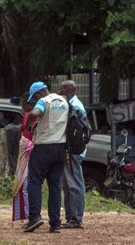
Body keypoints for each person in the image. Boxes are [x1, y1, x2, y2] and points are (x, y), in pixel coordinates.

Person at [23, 82, 69, 233]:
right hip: (61, 147)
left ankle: (34, 217)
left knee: (34, 182)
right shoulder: (64, 101)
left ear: (37, 94)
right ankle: (55, 223)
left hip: (43, 147)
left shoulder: (44, 101)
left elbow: (35, 113)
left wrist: (29, 124)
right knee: (55, 185)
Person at [59, 80, 86, 229]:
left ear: (67, 91)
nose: (59, 93)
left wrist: (69, 151)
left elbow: (74, 133)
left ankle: (75, 219)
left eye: (61, 90)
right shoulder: (74, 105)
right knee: (68, 184)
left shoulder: (74, 107)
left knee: (74, 184)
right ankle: (71, 217)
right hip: (72, 150)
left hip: (73, 151)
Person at [12, 92, 36, 222]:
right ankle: (29, 214)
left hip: (29, 153)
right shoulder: (30, 115)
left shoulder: (31, 115)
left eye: (23, 104)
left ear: (29, 103)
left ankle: (30, 215)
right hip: (27, 152)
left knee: (26, 184)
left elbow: (29, 132)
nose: (21, 107)